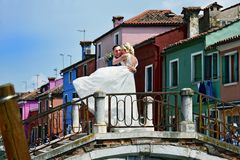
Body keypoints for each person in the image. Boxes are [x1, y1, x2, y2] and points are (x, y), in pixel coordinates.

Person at [73, 42, 139, 132]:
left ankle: (84, 83)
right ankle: (127, 122)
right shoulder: (135, 58)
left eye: (122, 49)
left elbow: (114, 62)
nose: (121, 51)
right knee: (127, 99)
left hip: (124, 75)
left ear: (126, 50)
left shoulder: (126, 55)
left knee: (103, 75)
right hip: (130, 79)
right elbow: (134, 68)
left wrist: (115, 56)